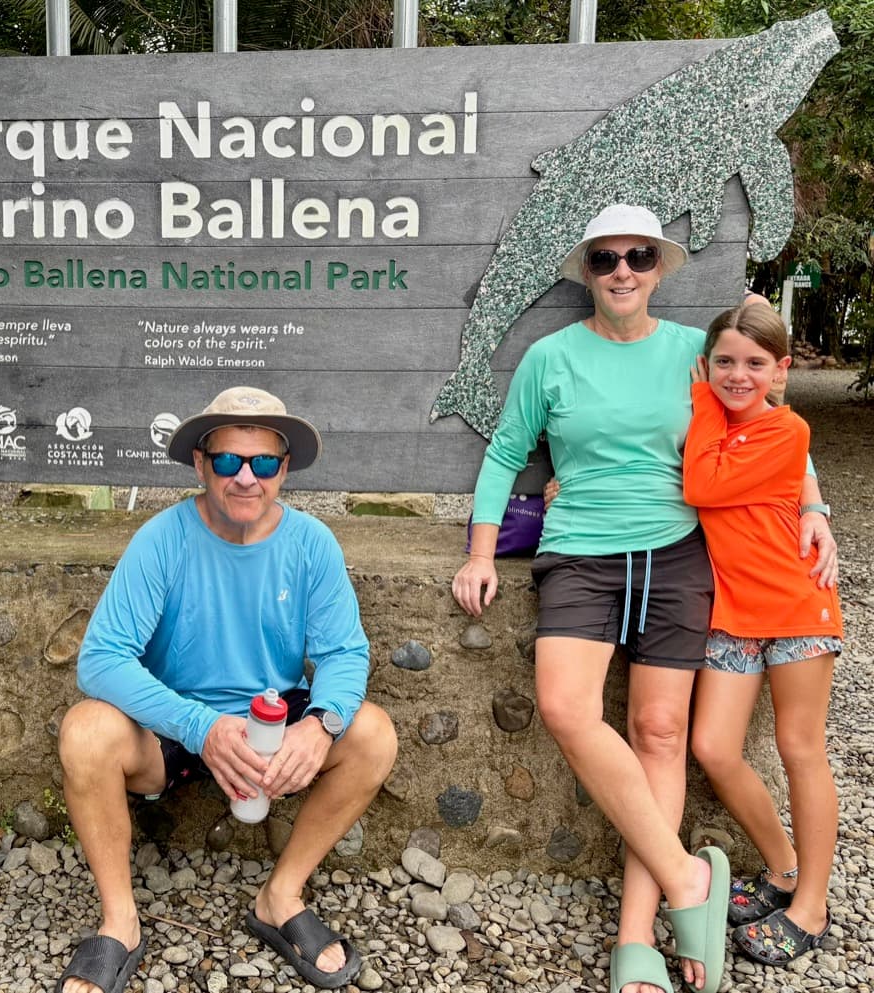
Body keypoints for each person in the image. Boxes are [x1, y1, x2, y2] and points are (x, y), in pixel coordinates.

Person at [451, 204, 837, 993]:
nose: (622, 270)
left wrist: (816, 508)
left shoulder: (695, 353)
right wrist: (482, 551)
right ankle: (688, 878)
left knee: (660, 730)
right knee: (565, 708)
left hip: (676, 554)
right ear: (587, 271)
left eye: (637, 255)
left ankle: (637, 938)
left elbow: (766, 422)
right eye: (604, 258)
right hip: (581, 555)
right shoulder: (549, 357)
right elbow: (505, 454)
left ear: (659, 267)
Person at [55, 386, 398, 993]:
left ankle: (281, 895)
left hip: (273, 720)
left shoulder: (311, 544)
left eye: (263, 462)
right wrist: (201, 727)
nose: (246, 477)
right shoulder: (163, 538)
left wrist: (320, 726)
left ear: (284, 470)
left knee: (371, 734)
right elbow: (101, 659)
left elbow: (345, 653)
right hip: (176, 718)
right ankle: (120, 923)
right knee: (84, 732)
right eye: (228, 461)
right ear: (199, 464)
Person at [684, 305, 842, 966]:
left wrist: (698, 392)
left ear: (782, 370)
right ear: (710, 361)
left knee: (800, 745)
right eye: (724, 361)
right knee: (713, 746)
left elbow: (701, 481)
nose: (737, 374)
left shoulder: (789, 427)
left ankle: (812, 903)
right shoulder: (717, 419)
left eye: (755, 363)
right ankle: (781, 866)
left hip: (797, 605)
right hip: (734, 612)